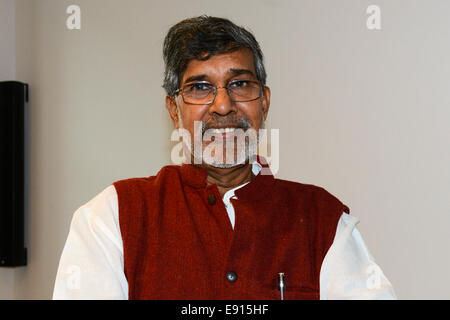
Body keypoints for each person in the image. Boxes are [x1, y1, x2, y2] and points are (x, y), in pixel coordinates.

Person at [53, 15, 396, 300]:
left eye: (240, 84)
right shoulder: (111, 216)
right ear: (175, 111)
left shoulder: (323, 219)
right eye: (200, 87)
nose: (222, 105)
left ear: (264, 102)